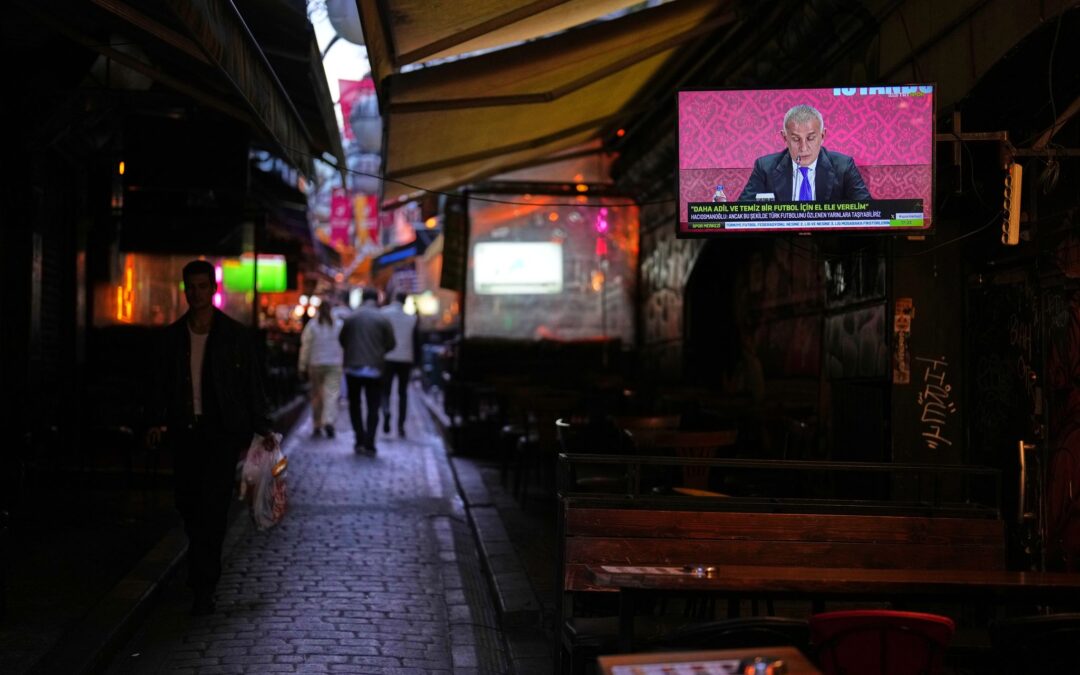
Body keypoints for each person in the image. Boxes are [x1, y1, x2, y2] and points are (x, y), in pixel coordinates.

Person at [144, 260, 274, 616]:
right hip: (186, 430)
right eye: (192, 287)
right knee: (188, 503)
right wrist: (156, 420)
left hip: (220, 431)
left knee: (214, 508)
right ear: (185, 289)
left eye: (203, 287)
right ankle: (201, 565)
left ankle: (205, 584)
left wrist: (262, 427)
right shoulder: (173, 338)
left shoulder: (234, 336)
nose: (197, 294)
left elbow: (250, 383)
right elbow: (161, 383)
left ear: (212, 289)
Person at [737, 104, 871, 203]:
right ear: (785, 138)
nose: (803, 147)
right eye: (796, 139)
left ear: (823, 135)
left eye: (810, 138)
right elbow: (741, 212)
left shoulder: (843, 167)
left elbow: (868, 211)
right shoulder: (765, 167)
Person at [339, 288, 395, 455]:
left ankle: (359, 439)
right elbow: (391, 343)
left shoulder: (352, 317)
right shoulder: (383, 318)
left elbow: (342, 339)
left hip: (353, 367)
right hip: (375, 368)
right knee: (373, 406)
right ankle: (370, 442)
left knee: (355, 405)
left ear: (362, 298)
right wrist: (379, 352)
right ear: (377, 299)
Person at [298, 300, 344, 439]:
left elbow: (306, 346)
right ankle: (328, 421)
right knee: (331, 394)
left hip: (316, 363)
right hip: (334, 363)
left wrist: (302, 365)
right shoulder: (339, 325)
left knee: (317, 395)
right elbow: (344, 345)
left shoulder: (312, 325)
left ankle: (317, 423)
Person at [380, 292, 420, 438]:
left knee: (386, 391)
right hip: (405, 358)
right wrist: (417, 364)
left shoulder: (384, 314)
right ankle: (401, 426)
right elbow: (416, 342)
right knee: (403, 393)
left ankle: (386, 411)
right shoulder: (412, 318)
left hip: (388, 357)